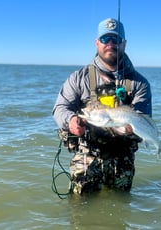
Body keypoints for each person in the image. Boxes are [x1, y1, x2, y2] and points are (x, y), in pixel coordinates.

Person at [52, 18, 152, 195]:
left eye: (116, 39)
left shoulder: (140, 84)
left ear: (124, 44)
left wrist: (131, 130)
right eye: (105, 39)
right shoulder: (78, 77)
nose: (111, 44)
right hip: (86, 154)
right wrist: (71, 120)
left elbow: (143, 118)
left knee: (120, 208)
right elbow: (60, 108)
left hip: (122, 157)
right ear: (97, 43)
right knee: (80, 209)